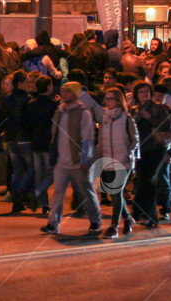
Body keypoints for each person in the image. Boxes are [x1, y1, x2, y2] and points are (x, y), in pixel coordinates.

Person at [41, 82, 101, 235]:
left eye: (68, 91)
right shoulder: (60, 111)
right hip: (62, 161)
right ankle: (53, 224)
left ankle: (95, 220)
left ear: (75, 94)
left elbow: (87, 137)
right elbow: (55, 136)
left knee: (86, 191)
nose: (64, 94)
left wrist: (84, 159)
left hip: (77, 160)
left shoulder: (83, 113)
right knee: (58, 193)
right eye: (63, 91)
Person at [96, 87, 139, 238]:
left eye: (110, 99)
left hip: (123, 161)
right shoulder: (104, 118)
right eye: (106, 98)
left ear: (118, 101)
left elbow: (135, 140)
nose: (107, 101)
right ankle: (128, 219)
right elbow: (101, 140)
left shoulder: (127, 118)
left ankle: (113, 226)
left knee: (116, 191)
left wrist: (130, 154)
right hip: (108, 161)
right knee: (115, 193)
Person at [131, 81, 171, 228]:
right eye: (141, 92)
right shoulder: (135, 110)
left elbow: (168, 126)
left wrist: (149, 117)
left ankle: (138, 213)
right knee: (144, 182)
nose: (144, 94)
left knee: (147, 181)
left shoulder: (157, 108)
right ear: (137, 94)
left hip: (156, 150)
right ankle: (149, 216)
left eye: (147, 91)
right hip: (140, 151)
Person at [1, 70, 34, 213]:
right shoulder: (27, 99)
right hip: (25, 138)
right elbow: (29, 119)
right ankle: (25, 195)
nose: (28, 84)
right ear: (21, 83)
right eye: (26, 81)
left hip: (11, 137)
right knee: (30, 169)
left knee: (17, 170)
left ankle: (16, 199)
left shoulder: (6, 98)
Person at [28, 75, 59, 215]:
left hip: (35, 142)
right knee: (54, 172)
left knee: (39, 174)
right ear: (48, 87)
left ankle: (44, 203)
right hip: (48, 143)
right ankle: (38, 192)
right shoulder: (53, 105)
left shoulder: (31, 104)